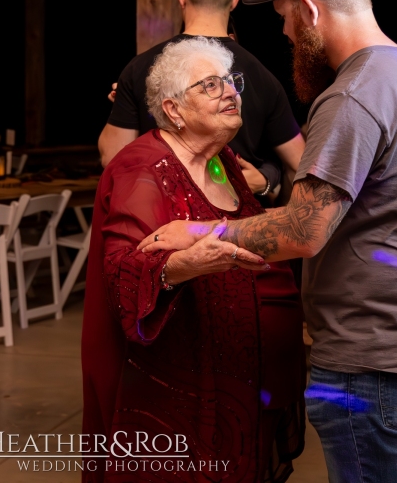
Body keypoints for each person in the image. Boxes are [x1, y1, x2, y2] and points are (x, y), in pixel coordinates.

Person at [139, 0, 397, 483]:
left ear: (311, 9)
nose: (286, 33)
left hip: (371, 356)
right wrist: (267, 192)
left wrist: (196, 230)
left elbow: (304, 232)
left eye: (288, 17)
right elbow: (375, 202)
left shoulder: (351, 96)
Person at [82, 36, 305, 482]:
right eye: (210, 85)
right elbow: (123, 273)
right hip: (178, 386)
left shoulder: (223, 160)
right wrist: (182, 265)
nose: (230, 92)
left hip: (239, 380)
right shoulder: (141, 169)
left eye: (230, 81)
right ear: (173, 110)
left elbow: (251, 236)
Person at [98, 0, 305, 200]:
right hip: (235, 226)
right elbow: (301, 165)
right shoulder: (263, 77)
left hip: (162, 217)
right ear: (234, 0)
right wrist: (269, 183)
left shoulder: (141, 69)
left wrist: (123, 104)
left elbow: (112, 158)